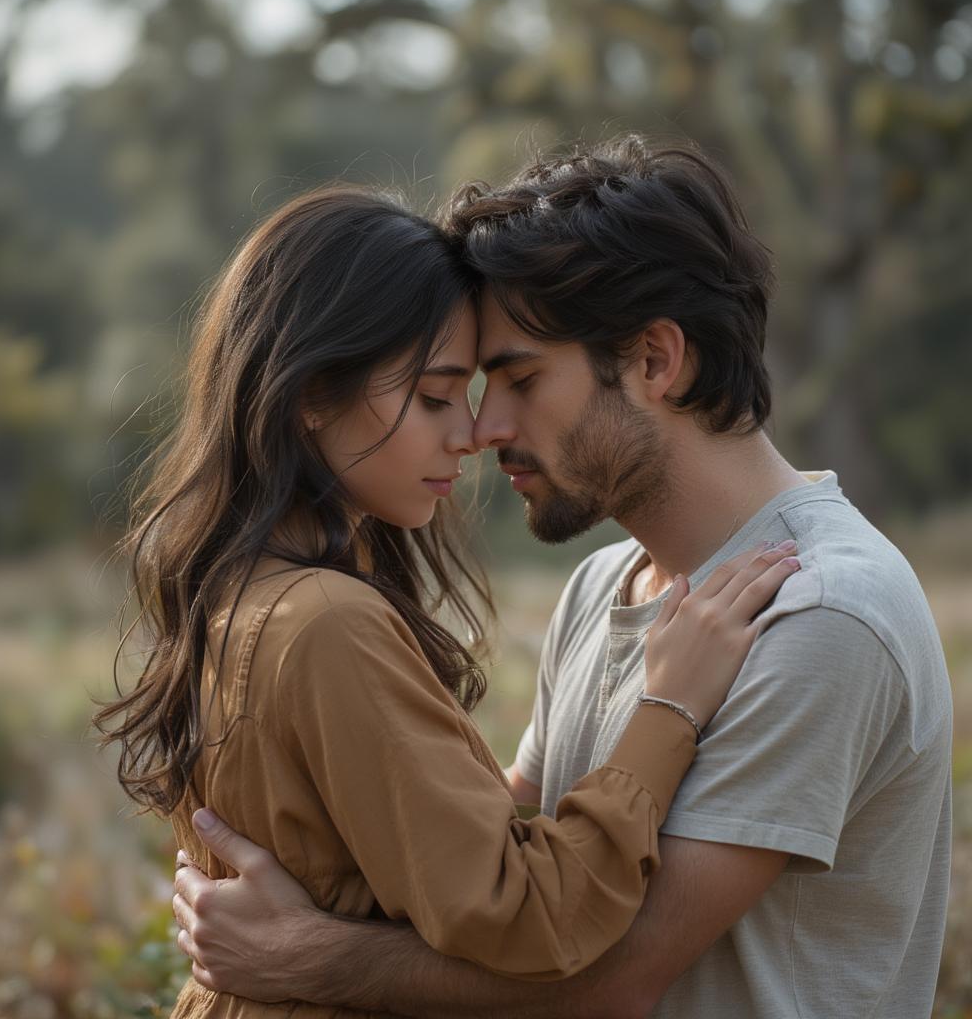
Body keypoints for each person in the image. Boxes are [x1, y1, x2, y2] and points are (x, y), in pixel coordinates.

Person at [171, 137, 953, 1019]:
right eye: (456, 391)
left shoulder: (819, 613)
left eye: (519, 379)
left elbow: (611, 985)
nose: (483, 427)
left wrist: (307, 958)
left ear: (656, 360)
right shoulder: (601, 586)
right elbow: (498, 853)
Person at [92, 183, 800, 1019]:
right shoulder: (324, 622)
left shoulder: (241, 597)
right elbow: (533, 917)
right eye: (434, 398)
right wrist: (670, 706)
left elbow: (431, 838)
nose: (469, 434)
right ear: (312, 393)